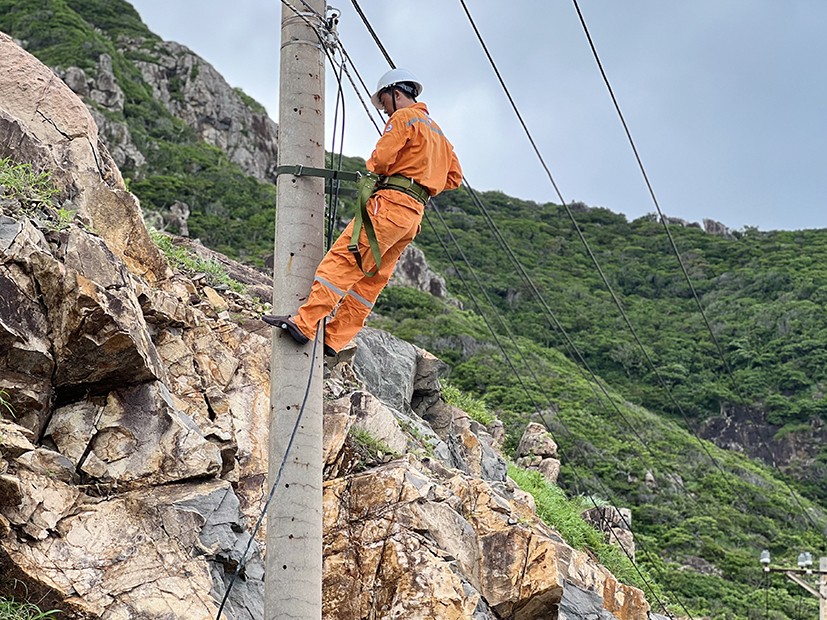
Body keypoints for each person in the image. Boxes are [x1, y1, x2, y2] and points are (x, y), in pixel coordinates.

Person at [264, 68, 462, 356]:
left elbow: (380, 160)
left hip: (390, 206)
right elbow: (454, 178)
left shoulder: (404, 118)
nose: (383, 110)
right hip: (413, 216)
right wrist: (421, 180)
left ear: (396, 93)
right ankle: (334, 338)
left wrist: (392, 178)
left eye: (383, 102)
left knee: (343, 261)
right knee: (372, 280)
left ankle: (305, 324)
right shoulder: (439, 135)